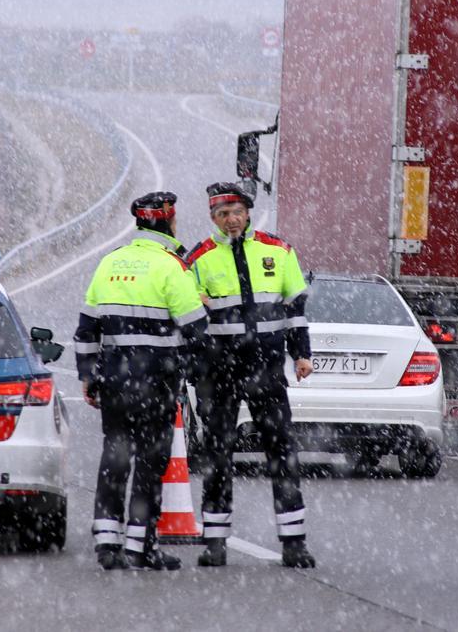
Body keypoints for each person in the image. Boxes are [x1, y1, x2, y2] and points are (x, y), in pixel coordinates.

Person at [74, 191, 207, 571]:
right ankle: (141, 546)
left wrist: (88, 377)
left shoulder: (109, 263)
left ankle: (106, 544)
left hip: (115, 383)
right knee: (150, 464)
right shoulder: (172, 268)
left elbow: (86, 331)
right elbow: (196, 330)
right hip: (157, 385)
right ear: (168, 221)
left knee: (114, 459)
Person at [186, 181, 316, 568]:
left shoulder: (278, 250)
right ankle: (215, 543)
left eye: (237, 213)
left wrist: (302, 354)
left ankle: (294, 543)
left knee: (282, 452)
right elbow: (189, 315)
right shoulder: (199, 257)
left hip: (266, 368)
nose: (231, 220)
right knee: (218, 454)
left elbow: (295, 307)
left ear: (248, 213)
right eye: (223, 215)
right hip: (219, 370)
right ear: (213, 218)